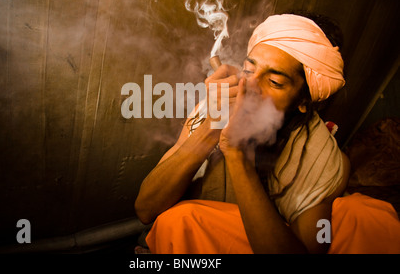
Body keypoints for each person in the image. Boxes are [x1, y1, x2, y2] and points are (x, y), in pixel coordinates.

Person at [134, 13, 400, 254]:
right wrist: (209, 130)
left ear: (304, 101)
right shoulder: (214, 108)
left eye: (274, 82)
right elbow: (146, 210)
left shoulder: (322, 156)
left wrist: (237, 155)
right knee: (179, 220)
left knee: (367, 218)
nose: (250, 86)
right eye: (249, 70)